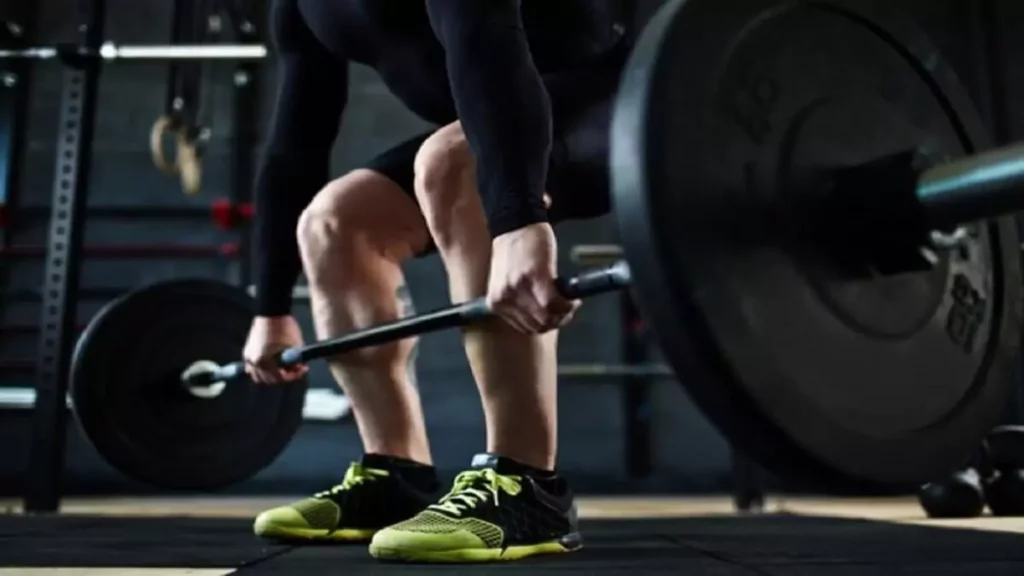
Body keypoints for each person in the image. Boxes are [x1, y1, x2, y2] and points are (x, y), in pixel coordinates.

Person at [245, 0, 630, 563]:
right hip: (500, 119)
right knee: (336, 220)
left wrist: (518, 220)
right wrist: (271, 308)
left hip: (628, 103)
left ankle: (527, 487)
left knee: (453, 163)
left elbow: (486, 44)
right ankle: (394, 477)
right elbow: (294, 148)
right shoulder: (302, 8)